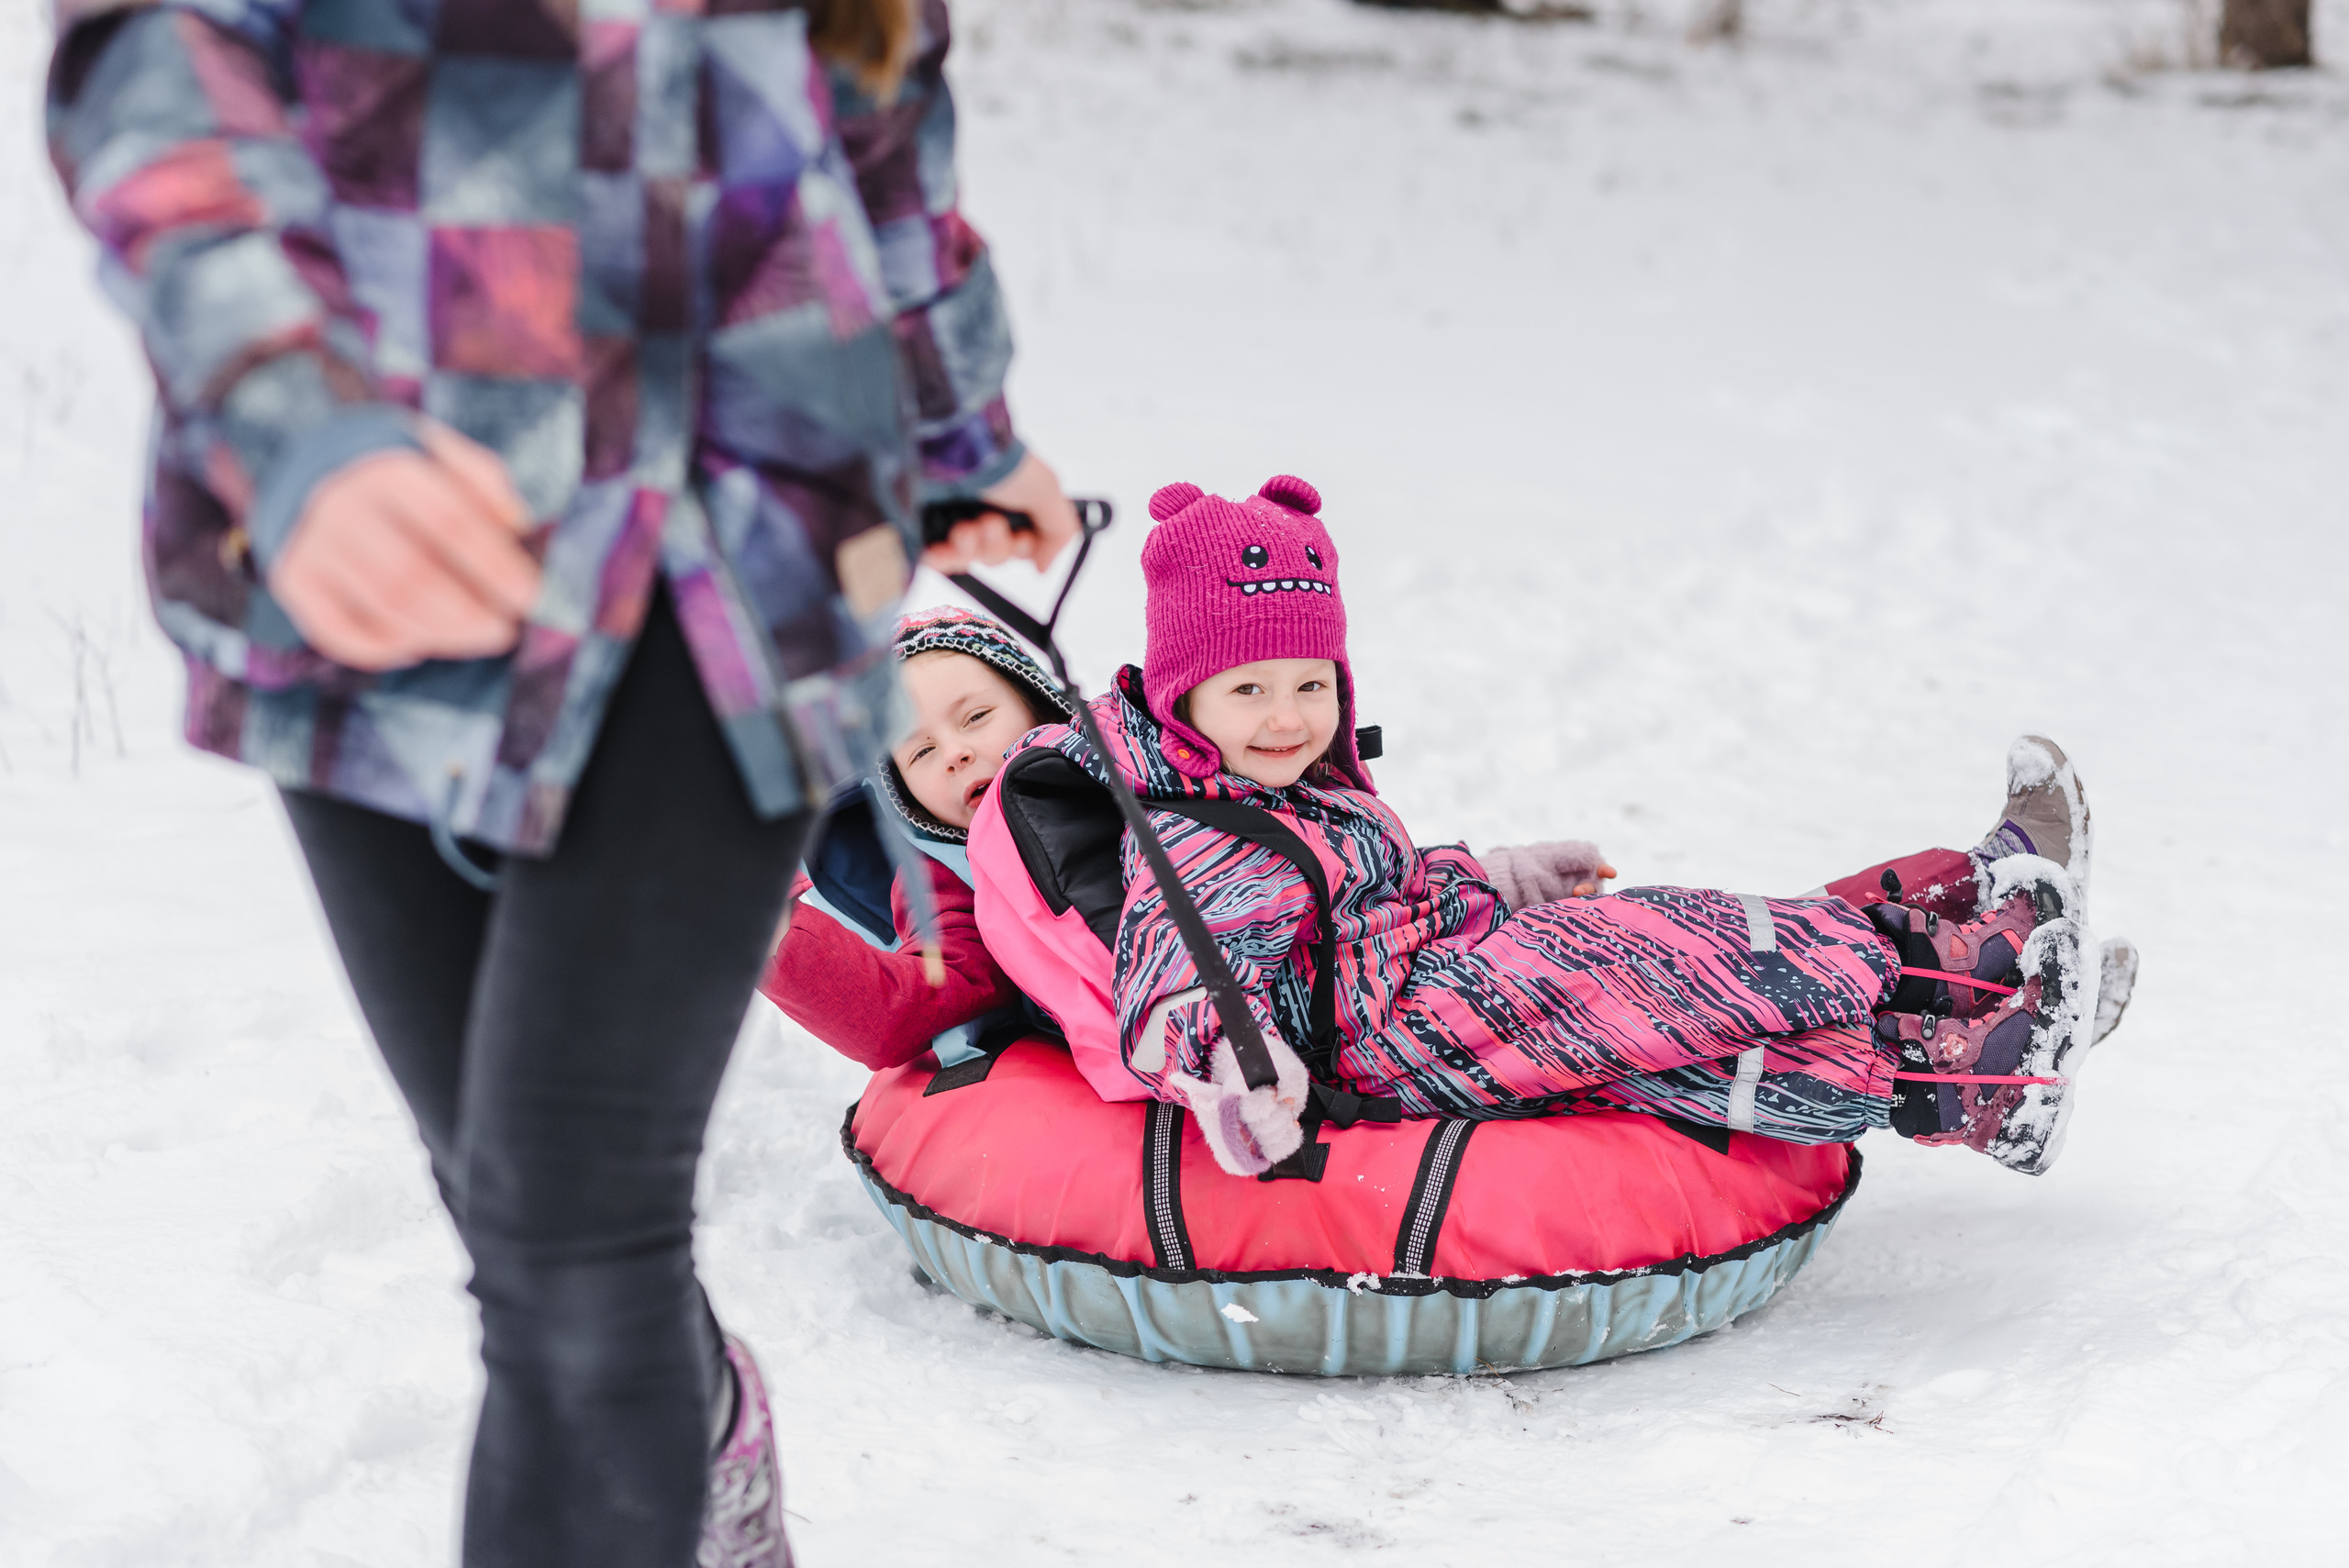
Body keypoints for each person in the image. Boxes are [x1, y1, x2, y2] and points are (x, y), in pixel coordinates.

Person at [45, 2, 1071, 1563]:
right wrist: (291, 413)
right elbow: (156, 66)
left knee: (577, 1240)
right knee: (507, 1205)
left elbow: (880, 89)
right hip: (384, 521)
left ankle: (667, 1443)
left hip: (742, 532)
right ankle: (703, 1422)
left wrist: (958, 418)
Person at [971, 475, 2099, 1183]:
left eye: (1310, 684)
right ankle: (1974, 969)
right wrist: (1238, 1079)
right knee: (1656, 955)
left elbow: (1375, 890)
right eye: (1249, 689)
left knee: (1683, 1009)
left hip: (1433, 981)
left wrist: (1500, 876)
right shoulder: (1195, 834)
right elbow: (1176, 991)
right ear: (1185, 696)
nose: (1287, 717)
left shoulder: (1297, 783)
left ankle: (1982, 1058)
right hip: (1388, 1038)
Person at [761, 607, 1068, 1068]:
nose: (955, 753)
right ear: (901, 790)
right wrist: (772, 926)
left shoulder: (1135, 774)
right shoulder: (946, 882)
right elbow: (901, 1009)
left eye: (976, 716)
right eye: (922, 751)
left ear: (1039, 704)